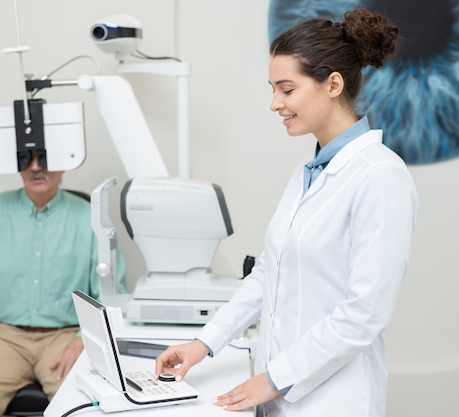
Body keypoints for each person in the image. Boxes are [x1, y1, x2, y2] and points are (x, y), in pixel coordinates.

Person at [155, 8, 418, 417]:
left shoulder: (380, 175)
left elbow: (364, 315)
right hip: (276, 392)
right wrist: (203, 343)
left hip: (334, 401)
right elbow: (268, 273)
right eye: (273, 89)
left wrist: (274, 379)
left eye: (287, 89)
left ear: (332, 84)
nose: (275, 103)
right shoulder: (307, 172)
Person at [0, 150, 126, 417]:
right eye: (26, 159)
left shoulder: (91, 220)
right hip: (2, 338)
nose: (35, 167)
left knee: (87, 403)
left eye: (44, 158)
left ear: (65, 164)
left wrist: (81, 342)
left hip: (66, 338)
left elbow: (110, 295)